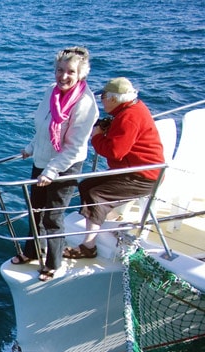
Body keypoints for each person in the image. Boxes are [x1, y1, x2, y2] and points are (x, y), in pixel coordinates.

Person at [11, 46, 99, 281]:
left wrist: (51, 171)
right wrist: (30, 148)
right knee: (35, 211)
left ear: (81, 73)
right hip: (42, 162)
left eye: (70, 71)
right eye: (60, 70)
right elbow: (43, 128)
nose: (63, 76)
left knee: (52, 217)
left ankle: (54, 264)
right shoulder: (51, 92)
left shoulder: (85, 104)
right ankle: (32, 252)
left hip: (65, 167)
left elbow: (74, 147)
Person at [63, 77, 165, 259]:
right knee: (86, 185)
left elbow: (115, 152)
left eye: (103, 97)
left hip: (143, 177)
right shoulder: (133, 109)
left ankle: (88, 247)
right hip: (140, 171)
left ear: (113, 99)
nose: (102, 101)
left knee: (96, 194)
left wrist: (97, 136)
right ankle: (97, 220)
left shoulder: (128, 117)